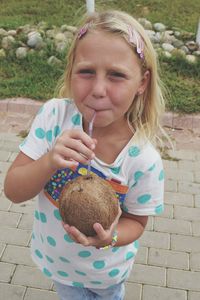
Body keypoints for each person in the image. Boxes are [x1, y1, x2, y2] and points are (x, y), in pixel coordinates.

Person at [4, 10, 165, 300]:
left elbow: (136, 223)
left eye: (116, 75)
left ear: (141, 83)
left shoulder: (143, 159)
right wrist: (50, 160)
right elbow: (13, 190)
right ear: (71, 71)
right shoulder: (54, 118)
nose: (98, 90)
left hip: (108, 274)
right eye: (86, 72)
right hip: (59, 267)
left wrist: (110, 237)